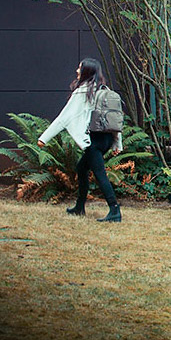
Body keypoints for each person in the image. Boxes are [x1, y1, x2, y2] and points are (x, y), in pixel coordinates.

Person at [37, 58, 122, 222]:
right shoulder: (104, 90)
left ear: (86, 72)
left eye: (80, 68)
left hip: (93, 142)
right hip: (106, 139)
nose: (77, 70)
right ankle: (79, 207)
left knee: (100, 174)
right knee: (81, 168)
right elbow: (117, 119)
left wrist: (44, 138)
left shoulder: (83, 92)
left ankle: (115, 210)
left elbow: (63, 118)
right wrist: (117, 143)